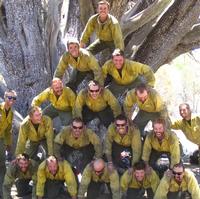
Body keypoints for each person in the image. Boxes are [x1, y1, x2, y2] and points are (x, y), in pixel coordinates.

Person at [0, 89, 17, 198]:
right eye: (9, 97)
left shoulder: (11, 112)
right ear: (5, 97)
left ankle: (3, 193)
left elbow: (8, 130)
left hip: (1, 139)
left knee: (2, 166)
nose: (11, 100)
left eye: (13, 98)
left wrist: (8, 144)